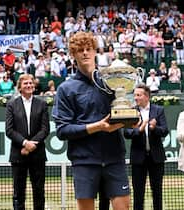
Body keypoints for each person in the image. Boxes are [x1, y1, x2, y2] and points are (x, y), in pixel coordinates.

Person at [52, 31, 129, 210]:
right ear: (73, 55)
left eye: (88, 49)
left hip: (114, 157)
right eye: (80, 50)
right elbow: (62, 130)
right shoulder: (66, 89)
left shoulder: (112, 81)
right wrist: (98, 127)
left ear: (95, 51)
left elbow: (124, 112)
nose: (85, 53)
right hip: (84, 161)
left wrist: (132, 118)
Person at [5, 73, 50, 210]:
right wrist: (24, 143)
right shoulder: (12, 104)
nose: (29, 85)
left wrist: (31, 145)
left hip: (37, 155)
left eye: (31, 83)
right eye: (26, 83)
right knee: (18, 192)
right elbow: (9, 130)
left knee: (39, 191)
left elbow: (45, 129)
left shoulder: (42, 104)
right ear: (20, 87)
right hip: (19, 155)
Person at [124, 84, 169, 210]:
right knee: (138, 193)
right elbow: (127, 133)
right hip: (138, 158)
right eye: (135, 95)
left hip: (156, 158)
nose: (136, 98)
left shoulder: (158, 110)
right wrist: (139, 130)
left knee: (157, 192)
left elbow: (165, 130)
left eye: (138, 95)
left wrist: (154, 128)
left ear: (147, 96)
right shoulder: (131, 111)